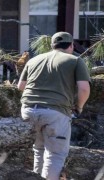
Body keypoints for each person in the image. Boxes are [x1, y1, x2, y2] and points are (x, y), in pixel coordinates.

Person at [17, 32, 90, 180]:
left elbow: (21, 86)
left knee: (39, 150)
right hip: (55, 112)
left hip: (28, 111)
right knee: (55, 155)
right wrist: (79, 107)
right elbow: (84, 89)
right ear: (71, 46)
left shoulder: (34, 60)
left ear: (51, 46)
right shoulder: (75, 60)